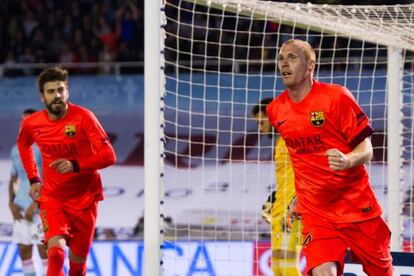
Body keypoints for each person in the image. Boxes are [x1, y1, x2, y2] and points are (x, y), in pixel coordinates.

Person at [266, 39, 393, 276]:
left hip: (356, 207)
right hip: (316, 212)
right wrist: (295, 196)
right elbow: (300, 159)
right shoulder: (276, 110)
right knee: (323, 271)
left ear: (310, 65)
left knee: (382, 272)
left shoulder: (336, 97)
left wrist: (347, 160)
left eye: (292, 57)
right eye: (281, 58)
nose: (284, 63)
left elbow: (367, 150)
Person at [17, 66, 116, 276]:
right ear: (42, 97)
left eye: (61, 90)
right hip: (53, 198)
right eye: (51, 91)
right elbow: (23, 145)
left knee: (77, 267)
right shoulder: (32, 124)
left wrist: (75, 165)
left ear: (67, 92)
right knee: (55, 255)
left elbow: (109, 155)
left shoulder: (84, 117)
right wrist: (34, 179)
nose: (57, 95)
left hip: (85, 200)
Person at [252, 98, 302, 275]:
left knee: (288, 265)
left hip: (293, 210)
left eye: (262, 122)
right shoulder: (280, 142)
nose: (260, 128)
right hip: (280, 209)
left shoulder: (295, 137)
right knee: (278, 267)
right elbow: (288, 176)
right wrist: (274, 198)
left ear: (274, 116)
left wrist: (297, 201)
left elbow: (309, 171)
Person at [9, 108, 48, 276]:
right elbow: (13, 179)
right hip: (20, 207)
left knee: (45, 251)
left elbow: (48, 179)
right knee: (24, 252)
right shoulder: (15, 150)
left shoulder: (43, 148)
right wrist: (11, 204)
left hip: (40, 209)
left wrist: (35, 203)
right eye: (22, 121)